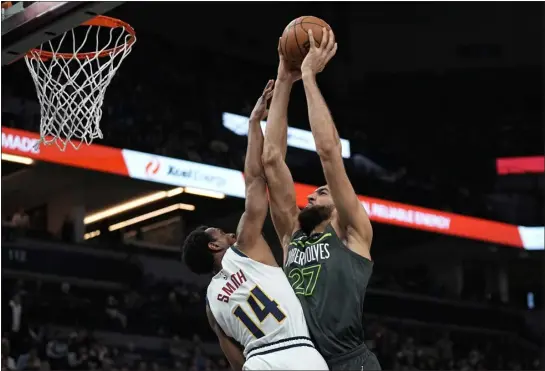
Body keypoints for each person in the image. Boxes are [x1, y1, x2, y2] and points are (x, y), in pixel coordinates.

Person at [181, 81, 328, 371]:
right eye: (221, 233)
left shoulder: (211, 305)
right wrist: (253, 123)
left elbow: (236, 362)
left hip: (258, 362)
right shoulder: (243, 250)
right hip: (298, 352)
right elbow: (255, 182)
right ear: (214, 246)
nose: (229, 233)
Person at [262, 28, 381, 370]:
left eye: (322, 192)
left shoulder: (352, 233)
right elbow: (271, 161)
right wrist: (285, 78)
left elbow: (329, 153)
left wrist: (309, 77)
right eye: (311, 193)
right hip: (301, 362)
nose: (311, 194)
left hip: (348, 361)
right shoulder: (291, 237)